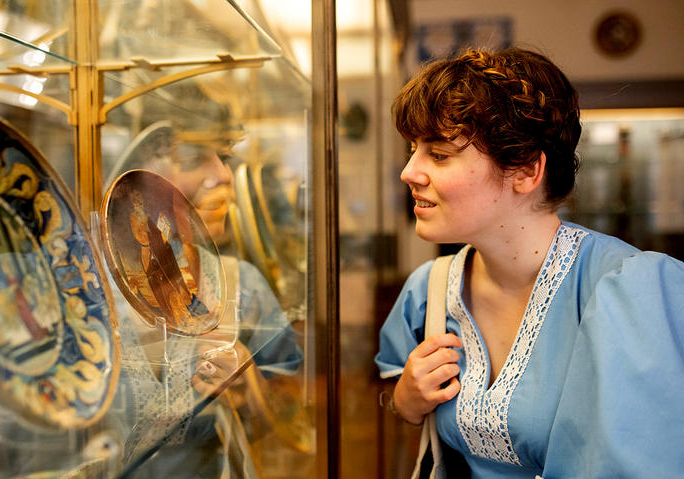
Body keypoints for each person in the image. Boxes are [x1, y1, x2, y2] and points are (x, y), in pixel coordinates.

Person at [375, 47, 684, 478]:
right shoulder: (429, 289)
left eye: (439, 153)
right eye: (413, 149)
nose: (409, 171)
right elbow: (395, 397)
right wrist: (404, 401)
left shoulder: (634, 290)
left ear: (524, 171)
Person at [107, 117, 309, 477]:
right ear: (138, 170)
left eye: (224, 158)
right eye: (194, 157)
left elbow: (295, 418)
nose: (224, 175)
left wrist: (252, 389)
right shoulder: (90, 289)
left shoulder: (241, 285)